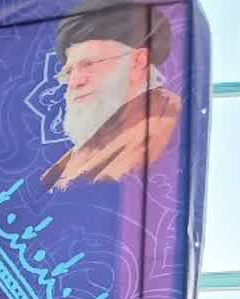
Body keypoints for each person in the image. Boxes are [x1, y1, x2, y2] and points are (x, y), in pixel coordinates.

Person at [41, 0, 183, 191]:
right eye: (69, 72)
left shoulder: (161, 130)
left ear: (138, 62)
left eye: (89, 64)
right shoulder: (97, 142)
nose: (74, 82)